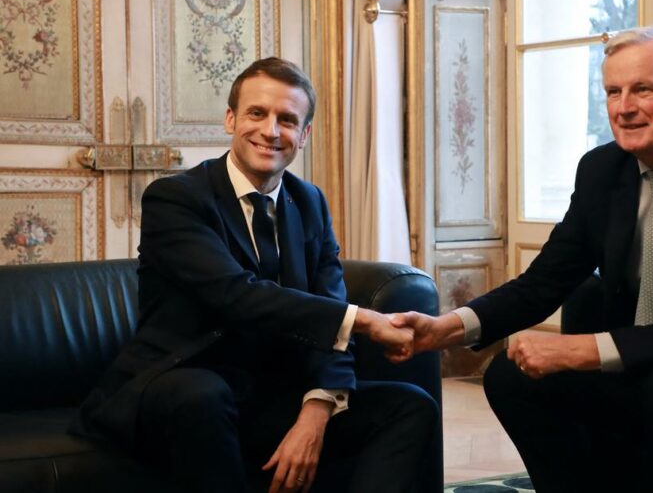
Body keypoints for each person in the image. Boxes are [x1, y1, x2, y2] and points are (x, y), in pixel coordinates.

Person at [392, 27, 653, 493]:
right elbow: (544, 281)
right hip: (637, 364)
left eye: (642, 89)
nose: (623, 108)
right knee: (510, 376)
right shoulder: (602, 169)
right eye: (612, 91)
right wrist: (447, 329)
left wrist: (581, 350)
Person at [70, 57, 438, 493]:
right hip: (180, 386)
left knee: (411, 405)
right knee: (202, 394)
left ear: (304, 134)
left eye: (287, 119)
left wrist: (317, 410)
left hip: (268, 397)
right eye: (257, 113)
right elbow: (235, 294)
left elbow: (330, 310)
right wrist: (365, 320)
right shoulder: (176, 198)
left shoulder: (309, 202)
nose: (271, 131)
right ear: (231, 119)